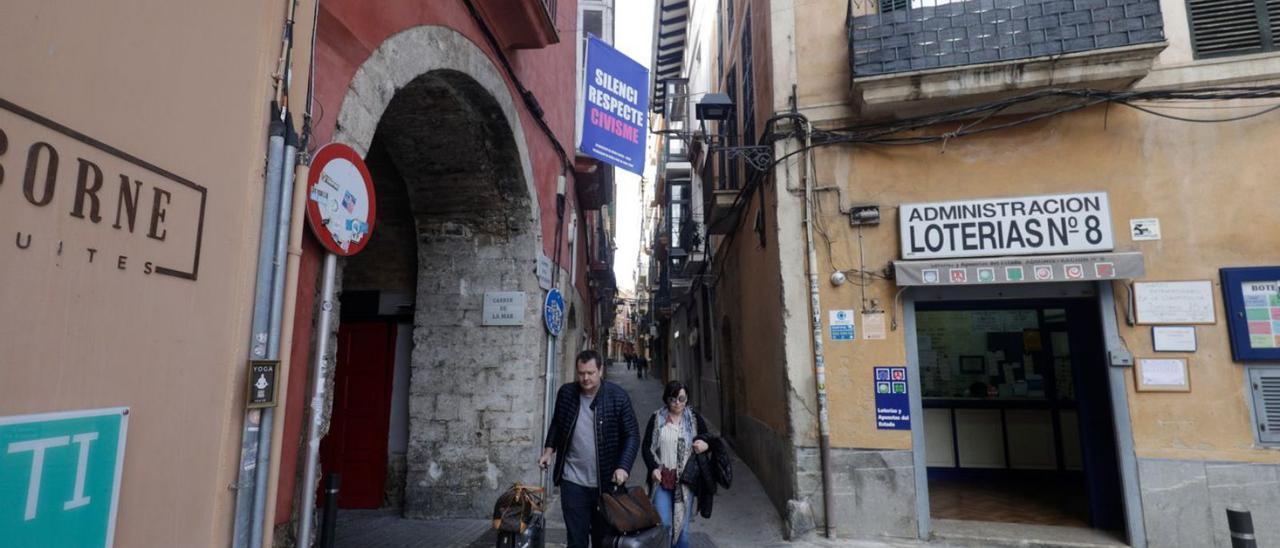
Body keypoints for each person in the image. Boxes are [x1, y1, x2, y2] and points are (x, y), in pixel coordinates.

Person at [539, 350, 640, 548]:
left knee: (603, 540)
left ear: (600, 370)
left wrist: (623, 467)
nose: (585, 378)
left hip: (606, 483)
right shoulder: (566, 393)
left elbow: (632, 435)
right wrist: (548, 451)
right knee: (576, 540)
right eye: (581, 373)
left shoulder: (618, 397)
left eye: (590, 373)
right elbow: (557, 425)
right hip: (572, 481)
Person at [641, 381, 710, 548]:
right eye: (673, 399)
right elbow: (646, 447)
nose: (678, 403)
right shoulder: (657, 418)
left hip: (685, 483)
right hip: (662, 480)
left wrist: (705, 446)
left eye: (681, 398)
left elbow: (707, 438)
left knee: (682, 533)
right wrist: (653, 469)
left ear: (686, 399)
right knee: (664, 526)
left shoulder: (693, 419)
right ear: (667, 399)